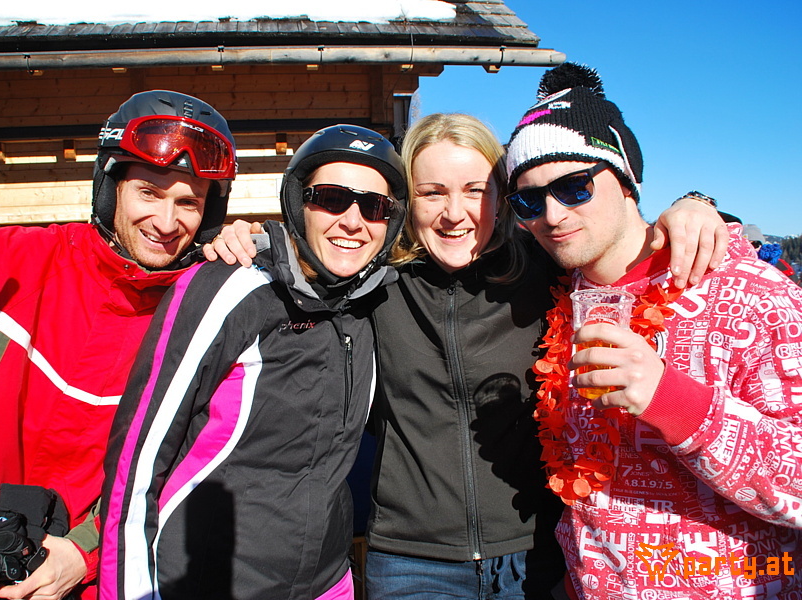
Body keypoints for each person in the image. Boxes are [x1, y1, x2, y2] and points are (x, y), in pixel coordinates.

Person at [207, 113, 727, 597]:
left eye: (474, 191)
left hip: (537, 552)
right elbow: (308, 260)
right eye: (431, 193)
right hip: (412, 561)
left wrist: (693, 204)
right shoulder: (374, 287)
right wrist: (246, 241)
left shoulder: (545, 274)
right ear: (407, 201)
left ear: (500, 198)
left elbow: (616, 244)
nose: (454, 214)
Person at [0, 89, 237, 600]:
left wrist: (82, 551)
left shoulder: (199, 312)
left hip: (66, 583)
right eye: (148, 192)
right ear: (109, 188)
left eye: (188, 202)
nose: (167, 224)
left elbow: (182, 469)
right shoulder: (12, 263)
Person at [504, 62, 802, 598]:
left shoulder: (748, 291)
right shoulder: (561, 294)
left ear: (626, 182)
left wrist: (673, 400)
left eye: (575, 187)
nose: (551, 214)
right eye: (528, 199)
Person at [98, 124, 408, 600]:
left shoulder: (371, 307)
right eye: (330, 198)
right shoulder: (232, 288)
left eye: (374, 206)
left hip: (327, 582)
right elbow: (138, 460)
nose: (352, 220)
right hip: (209, 581)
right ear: (297, 203)